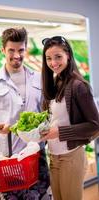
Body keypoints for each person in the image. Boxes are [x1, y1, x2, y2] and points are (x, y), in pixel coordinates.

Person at [0, 27, 50, 200]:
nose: (17, 55)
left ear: (26, 48)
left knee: (44, 196)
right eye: (11, 50)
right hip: (9, 161)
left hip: (37, 156)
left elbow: (48, 111)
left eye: (21, 50)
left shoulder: (39, 78)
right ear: (3, 50)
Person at [40, 36, 99, 200]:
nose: (53, 63)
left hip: (71, 157)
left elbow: (95, 126)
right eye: (49, 58)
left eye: (58, 57)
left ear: (68, 55)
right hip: (54, 156)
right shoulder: (55, 82)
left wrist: (59, 132)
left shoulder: (79, 86)